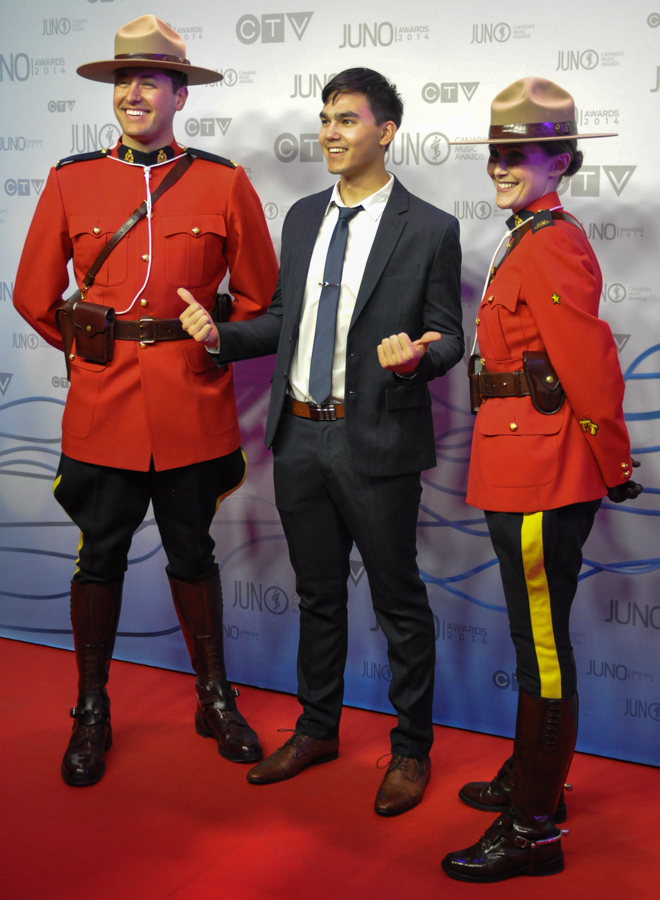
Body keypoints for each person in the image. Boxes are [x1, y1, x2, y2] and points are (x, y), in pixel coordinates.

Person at [180, 67, 463, 815]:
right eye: (325, 119)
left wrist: (420, 356)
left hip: (378, 441)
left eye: (347, 120)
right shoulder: (303, 216)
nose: (330, 133)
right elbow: (281, 320)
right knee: (318, 596)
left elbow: (450, 334)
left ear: (387, 131)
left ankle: (410, 750)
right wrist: (221, 337)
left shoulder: (431, 226)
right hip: (300, 439)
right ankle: (316, 729)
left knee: (400, 602)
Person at [13, 15, 278, 787]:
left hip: (193, 404)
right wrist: (90, 352)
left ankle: (214, 697)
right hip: (104, 408)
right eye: (123, 80)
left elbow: (262, 300)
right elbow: (34, 297)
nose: (133, 92)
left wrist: (211, 329)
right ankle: (90, 709)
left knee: (193, 552)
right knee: (99, 559)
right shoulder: (71, 180)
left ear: (179, 93)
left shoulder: (224, 182)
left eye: (150, 79)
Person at [441, 77, 642, 882]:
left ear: (561, 158)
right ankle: (537, 785)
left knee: (543, 650)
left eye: (519, 154)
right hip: (516, 455)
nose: (502, 166)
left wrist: (613, 461)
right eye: (496, 152)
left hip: (545, 466)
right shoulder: (524, 232)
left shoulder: (552, 238)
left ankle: (533, 830)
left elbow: (588, 363)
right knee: (535, 639)